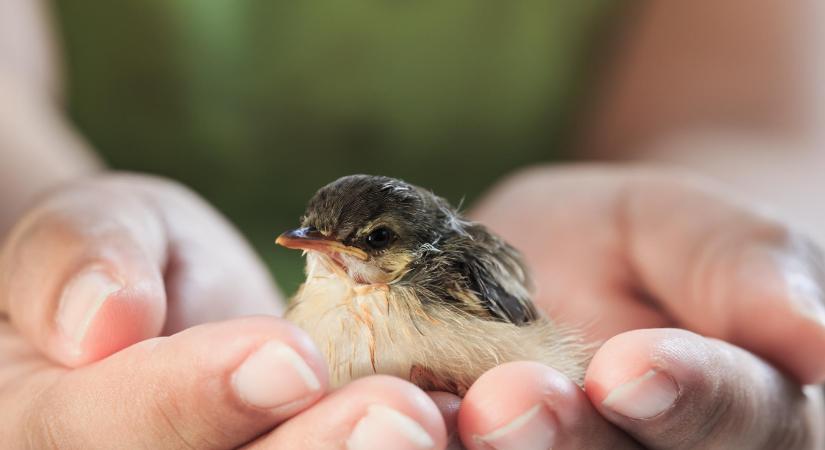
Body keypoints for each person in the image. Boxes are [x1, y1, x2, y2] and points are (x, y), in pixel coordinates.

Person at [1, 0, 824, 448]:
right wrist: (40, 230)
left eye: (371, 243)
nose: (330, 256)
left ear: (409, 246)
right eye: (318, 239)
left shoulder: (448, 271)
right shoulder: (315, 294)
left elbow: (748, 116)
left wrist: (707, 243)